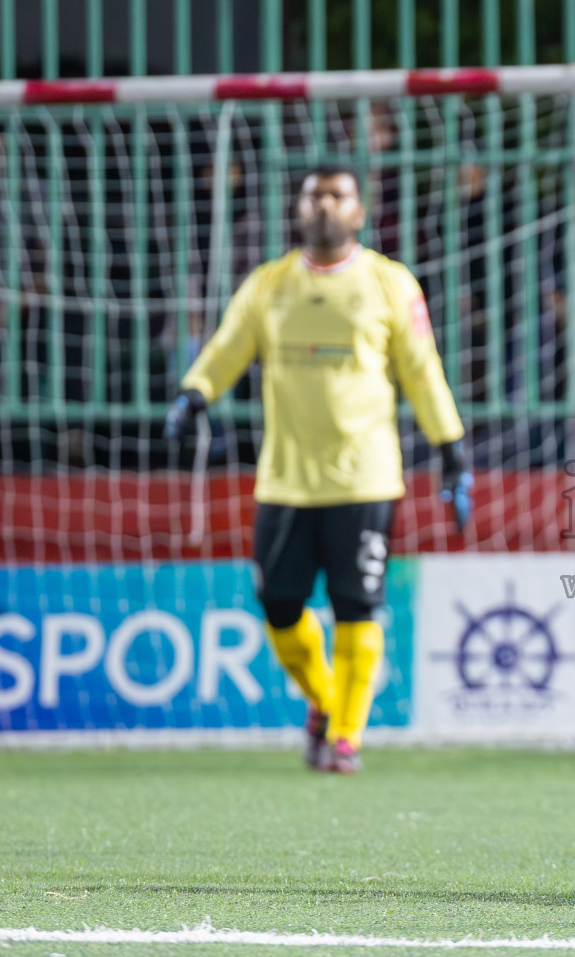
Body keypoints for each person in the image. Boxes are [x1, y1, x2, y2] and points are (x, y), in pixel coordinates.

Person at [163, 166, 474, 773]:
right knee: (278, 604)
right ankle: (326, 702)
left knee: (358, 605)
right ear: (298, 209)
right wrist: (194, 392)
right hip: (285, 477)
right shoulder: (268, 285)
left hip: (365, 476)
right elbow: (228, 347)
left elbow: (422, 369)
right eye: (314, 195)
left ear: (358, 212)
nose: (325, 205)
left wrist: (451, 449)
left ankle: (346, 738)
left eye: (338, 196)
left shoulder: (390, 283)